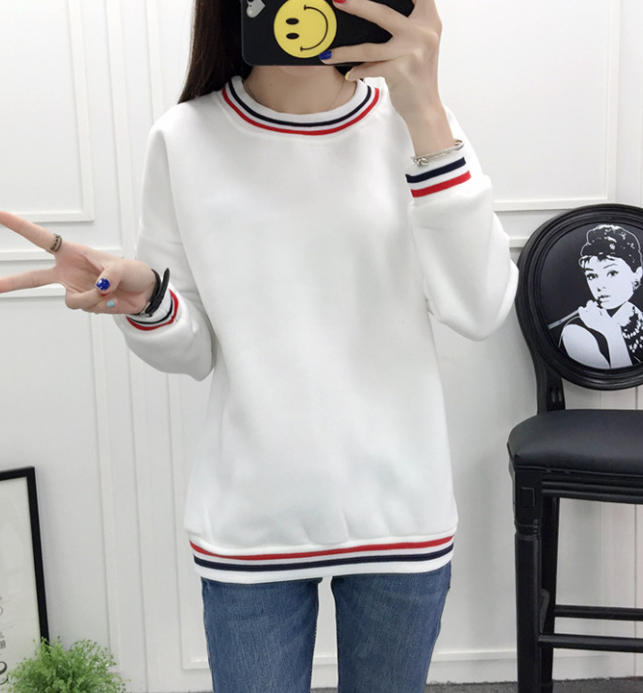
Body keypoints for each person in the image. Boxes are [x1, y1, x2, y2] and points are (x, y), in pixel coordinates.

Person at [0, 0, 518, 690]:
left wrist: (424, 106)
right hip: (250, 520)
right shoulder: (184, 138)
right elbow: (192, 351)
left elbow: (479, 308)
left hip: (402, 513)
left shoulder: (417, 127)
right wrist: (148, 300)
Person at [553, 224, 643, 369]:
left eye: (612, 273)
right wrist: (612, 334)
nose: (600, 285)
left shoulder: (637, 316)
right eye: (592, 276)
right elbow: (618, 379)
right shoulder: (576, 332)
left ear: (637, 274)